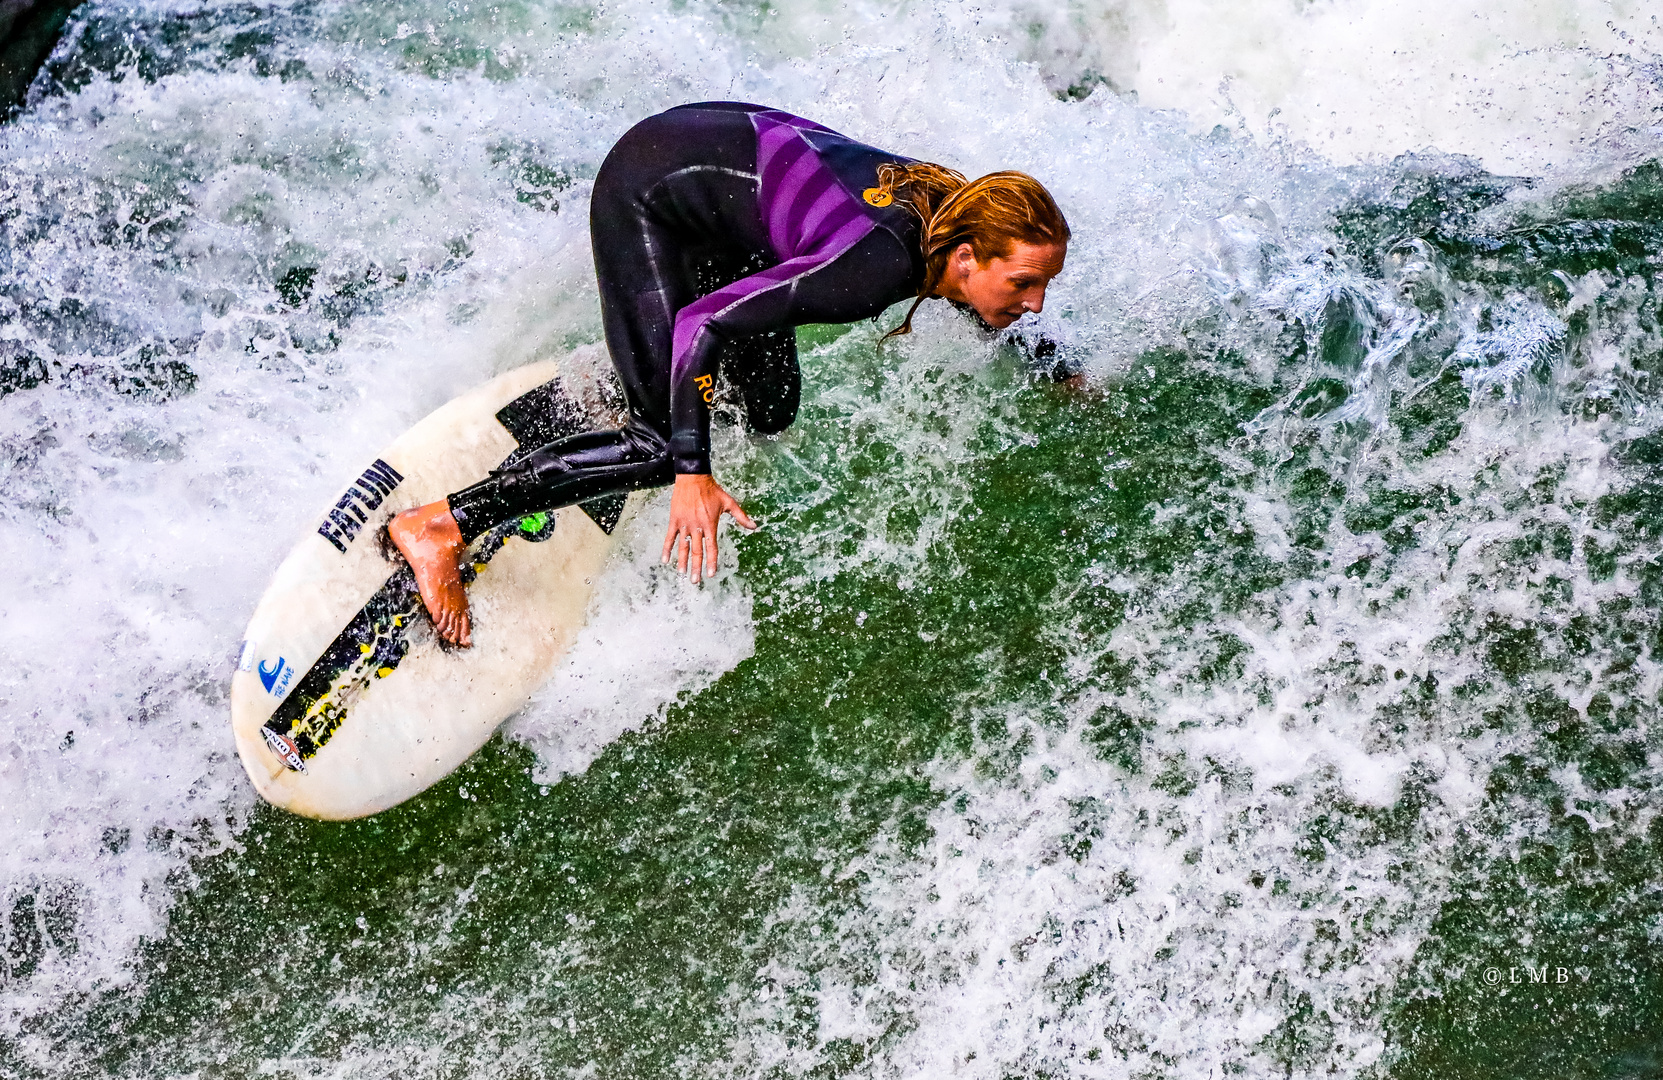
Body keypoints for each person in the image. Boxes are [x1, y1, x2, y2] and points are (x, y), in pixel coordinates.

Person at [390, 102, 1070, 646]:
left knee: (766, 410)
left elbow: (994, 302)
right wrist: (691, 473)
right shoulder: (874, 268)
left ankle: (634, 383)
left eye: (1043, 284)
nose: (1035, 300)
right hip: (653, 190)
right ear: (965, 260)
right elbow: (705, 324)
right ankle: (440, 525)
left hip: (731, 214)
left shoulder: (959, 214)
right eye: (1022, 283)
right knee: (664, 450)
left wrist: (1058, 370)